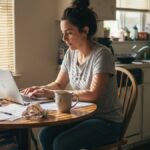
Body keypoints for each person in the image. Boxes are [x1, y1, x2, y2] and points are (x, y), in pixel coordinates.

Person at [22, 0, 123, 149]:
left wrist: (51, 93)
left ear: (85, 31)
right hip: (83, 115)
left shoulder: (102, 54)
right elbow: (58, 84)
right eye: (63, 33)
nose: (64, 39)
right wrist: (39, 89)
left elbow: (93, 94)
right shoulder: (71, 53)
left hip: (106, 121)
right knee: (44, 135)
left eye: (69, 33)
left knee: (61, 144)